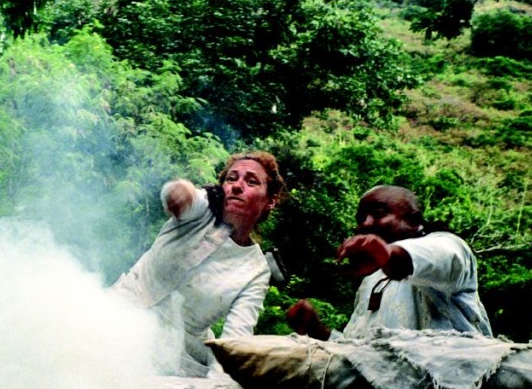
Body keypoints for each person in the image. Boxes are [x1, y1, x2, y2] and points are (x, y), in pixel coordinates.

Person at [113, 151, 286, 376]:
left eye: (251, 181)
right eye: (231, 178)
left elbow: (234, 343)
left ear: (269, 201)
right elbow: (185, 197)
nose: (237, 186)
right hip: (115, 313)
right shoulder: (204, 206)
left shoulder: (256, 270)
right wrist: (180, 192)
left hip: (171, 357)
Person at [287, 184, 492, 340]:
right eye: (360, 218)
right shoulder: (371, 281)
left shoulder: (450, 246)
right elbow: (365, 358)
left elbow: (439, 256)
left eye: (379, 213)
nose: (365, 224)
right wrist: (318, 331)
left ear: (414, 221)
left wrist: (387, 252)